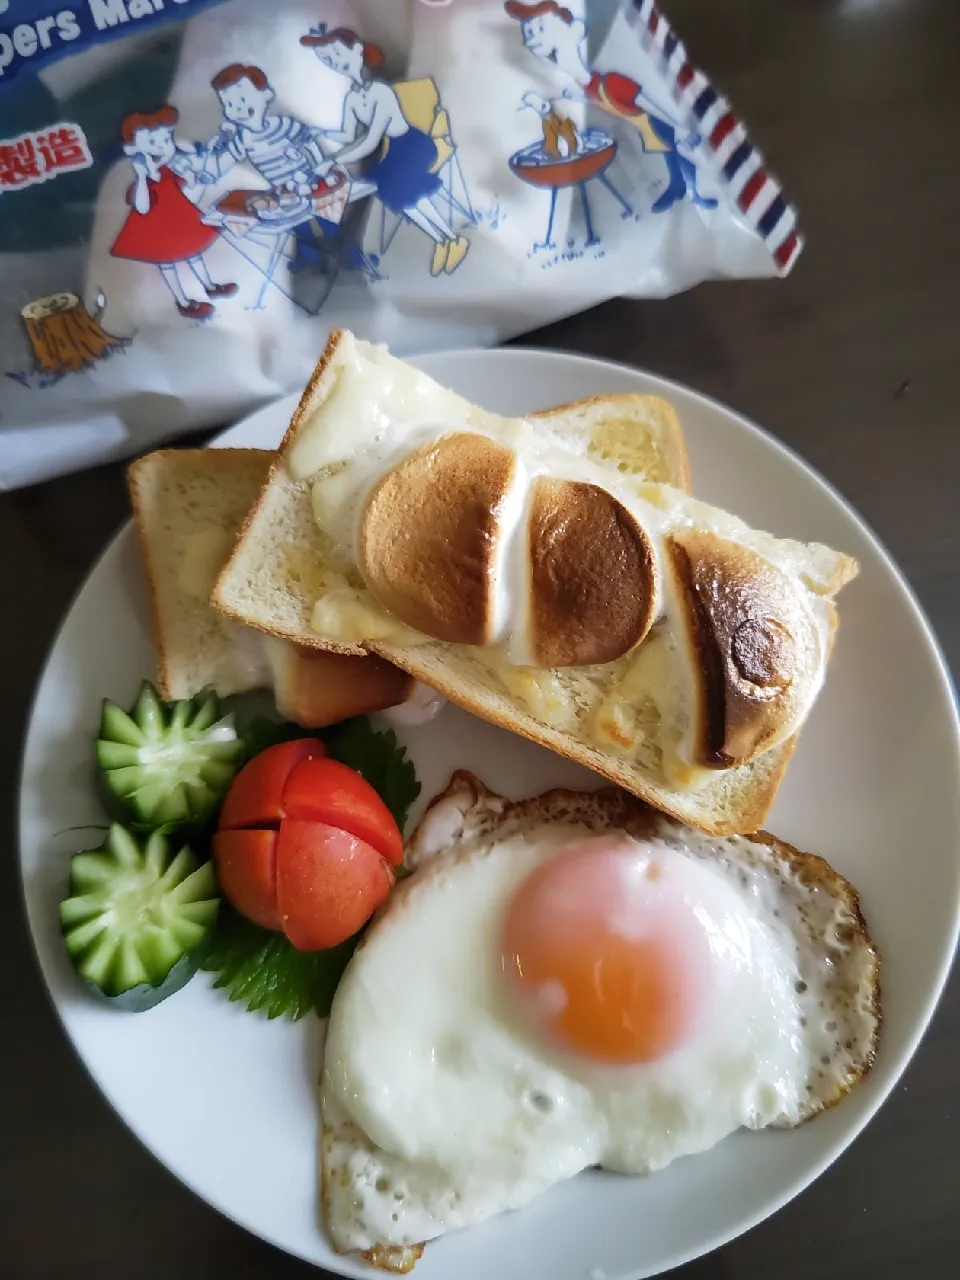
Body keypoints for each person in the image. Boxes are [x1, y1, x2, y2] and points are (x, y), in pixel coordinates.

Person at [504, 0, 717, 213]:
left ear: (574, 30)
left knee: (680, 152)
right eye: (531, 34)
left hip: (658, 117)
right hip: (642, 120)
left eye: (540, 29)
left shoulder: (611, 81)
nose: (533, 40)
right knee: (670, 153)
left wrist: (678, 124)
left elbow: (645, 100)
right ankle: (680, 187)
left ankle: (694, 193)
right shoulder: (587, 84)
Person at [301, 25, 470, 276]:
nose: (334, 63)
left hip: (412, 143)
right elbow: (348, 135)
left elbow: (370, 139)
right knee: (393, 191)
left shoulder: (379, 91)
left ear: (357, 50)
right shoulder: (353, 98)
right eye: (326, 60)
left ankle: (449, 238)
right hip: (392, 152)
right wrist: (320, 133)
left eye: (336, 54)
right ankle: (445, 240)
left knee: (398, 186)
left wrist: (334, 160)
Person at [110, 106, 237, 321]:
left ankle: (210, 286)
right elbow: (142, 207)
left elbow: (188, 193)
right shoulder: (142, 180)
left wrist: (199, 182)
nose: (161, 147)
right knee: (167, 264)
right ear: (134, 150)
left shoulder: (171, 172)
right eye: (152, 143)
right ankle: (183, 302)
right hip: (154, 230)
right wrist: (142, 177)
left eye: (165, 140)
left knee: (193, 252)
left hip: (180, 221)